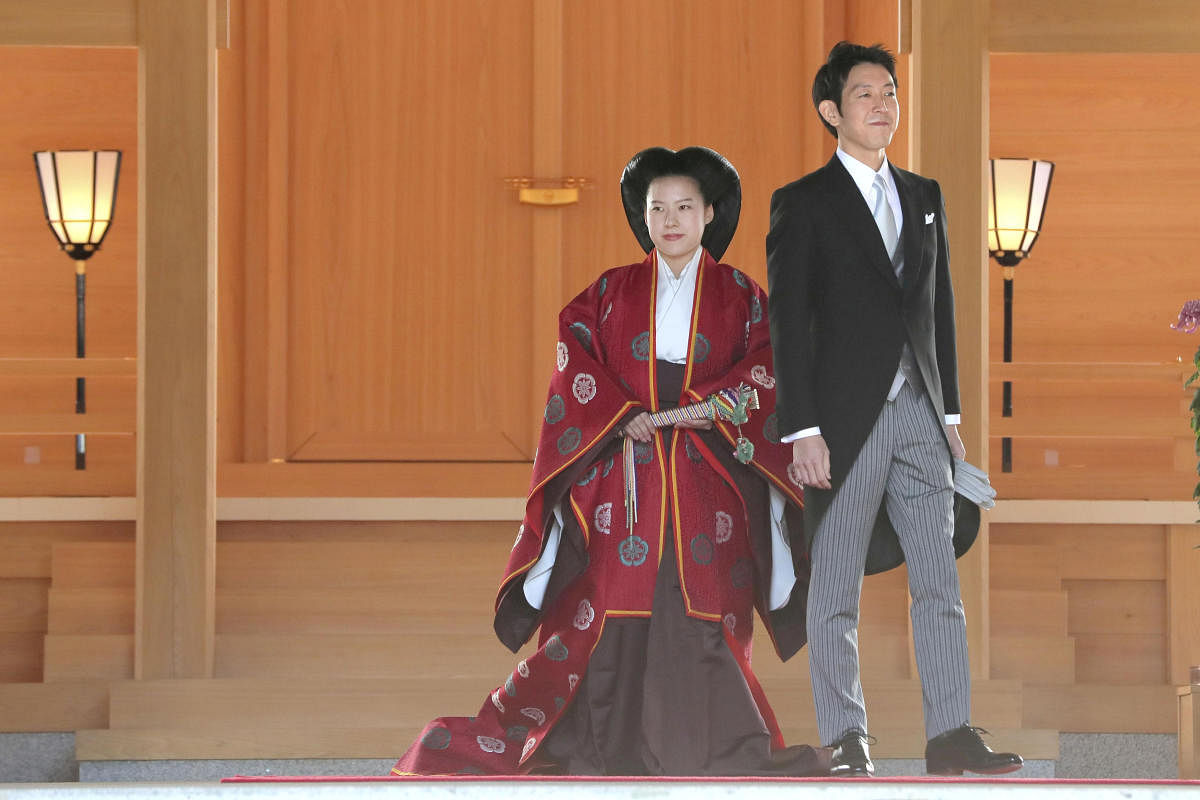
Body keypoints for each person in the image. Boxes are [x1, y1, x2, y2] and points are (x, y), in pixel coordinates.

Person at [391, 146, 828, 777]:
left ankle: (712, 749)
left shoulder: (744, 297)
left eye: (684, 207)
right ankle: (592, 746)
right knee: (608, 598)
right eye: (657, 209)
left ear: (710, 214)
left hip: (710, 476)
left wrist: (705, 406)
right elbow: (576, 368)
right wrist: (624, 417)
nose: (670, 220)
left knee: (698, 601)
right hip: (622, 466)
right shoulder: (609, 293)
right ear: (642, 218)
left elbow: (767, 368)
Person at [765, 42, 1023, 778]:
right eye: (864, 95)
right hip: (842, 425)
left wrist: (950, 415)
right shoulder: (804, 202)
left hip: (919, 411)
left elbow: (938, 308)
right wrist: (802, 428)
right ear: (831, 112)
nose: (883, 105)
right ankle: (848, 738)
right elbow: (789, 319)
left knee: (939, 579)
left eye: (889, 91)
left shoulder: (926, 193)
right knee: (836, 583)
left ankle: (950, 735)